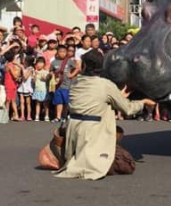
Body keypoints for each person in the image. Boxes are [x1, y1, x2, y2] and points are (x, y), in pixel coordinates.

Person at [54, 49, 155, 180]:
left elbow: (94, 101)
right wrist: (143, 102)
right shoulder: (106, 85)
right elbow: (128, 109)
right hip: (93, 132)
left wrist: (118, 96)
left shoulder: (76, 83)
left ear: (84, 66)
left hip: (74, 131)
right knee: (125, 164)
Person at [50, 44, 79, 121]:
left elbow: (77, 68)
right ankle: (58, 117)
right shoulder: (54, 62)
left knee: (66, 102)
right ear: (57, 52)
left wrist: (71, 75)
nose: (62, 53)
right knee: (58, 102)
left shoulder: (69, 61)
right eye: (60, 52)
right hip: (57, 86)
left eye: (64, 52)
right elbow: (51, 71)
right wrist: (52, 76)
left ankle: (65, 116)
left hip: (67, 85)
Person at [32, 56, 51, 122]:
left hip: (44, 90)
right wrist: (35, 75)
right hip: (37, 89)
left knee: (46, 104)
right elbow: (34, 82)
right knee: (38, 103)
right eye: (38, 63)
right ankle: (37, 116)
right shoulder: (35, 72)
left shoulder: (46, 72)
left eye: (41, 63)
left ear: (44, 64)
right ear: (36, 64)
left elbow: (47, 79)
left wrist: (44, 77)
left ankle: (46, 116)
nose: (40, 64)